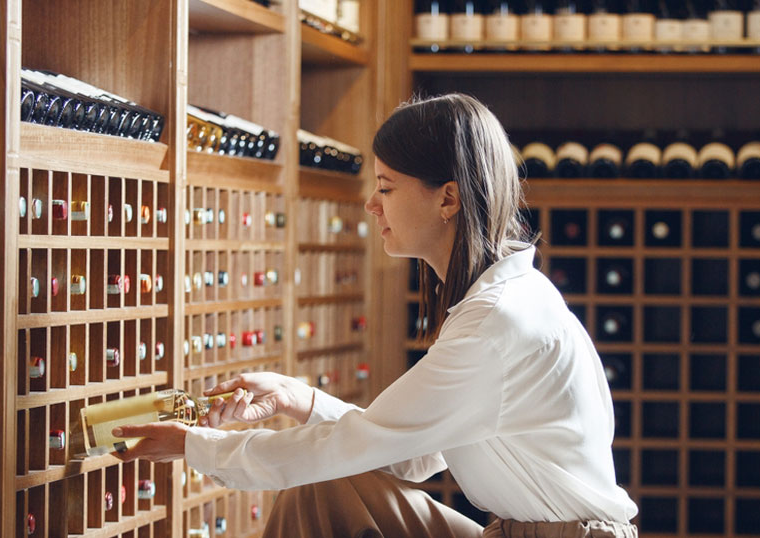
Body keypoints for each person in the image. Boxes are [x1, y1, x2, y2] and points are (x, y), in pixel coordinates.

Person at [112, 93, 639, 538]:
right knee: (324, 485)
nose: (370, 204)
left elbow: (368, 449)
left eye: (386, 187)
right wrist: (300, 399)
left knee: (324, 476)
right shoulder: (499, 300)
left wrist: (196, 446)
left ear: (447, 199)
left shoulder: (494, 324)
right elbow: (409, 454)